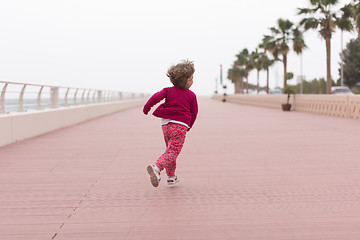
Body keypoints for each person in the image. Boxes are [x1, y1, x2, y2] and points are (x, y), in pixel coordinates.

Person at [143, 60, 198, 187]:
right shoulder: (191, 95)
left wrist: (146, 108)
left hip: (166, 125)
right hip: (180, 126)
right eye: (192, 78)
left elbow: (154, 98)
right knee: (173, 152)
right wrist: (189, 125)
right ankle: (157, 168)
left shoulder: (168, 91)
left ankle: (171, 176)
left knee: (170, 151)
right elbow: (194, 113)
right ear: (188, 80)